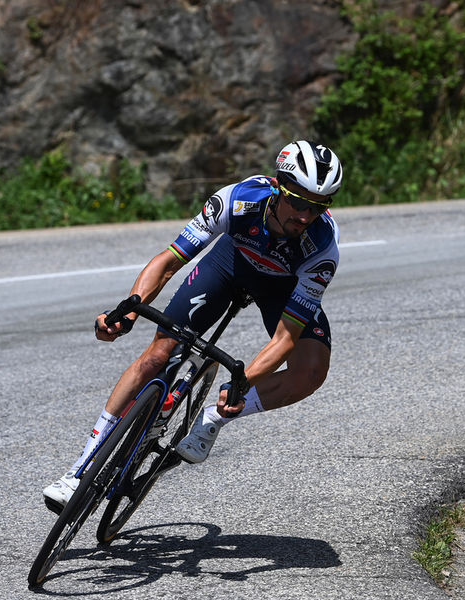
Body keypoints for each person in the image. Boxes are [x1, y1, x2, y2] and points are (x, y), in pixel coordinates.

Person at [43, 140, 343, 513]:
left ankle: (213, 415)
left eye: (318, 207)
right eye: (298, 202)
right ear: (278, 187)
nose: (305, 215)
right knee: (156, 356)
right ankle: (78, 472)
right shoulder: (236, 201)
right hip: (229, 265)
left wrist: (242, 383)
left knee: (310, 371)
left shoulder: (322, 248)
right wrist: (130, 308)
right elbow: (169, 261)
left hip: (283, 285)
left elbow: (285, 339)